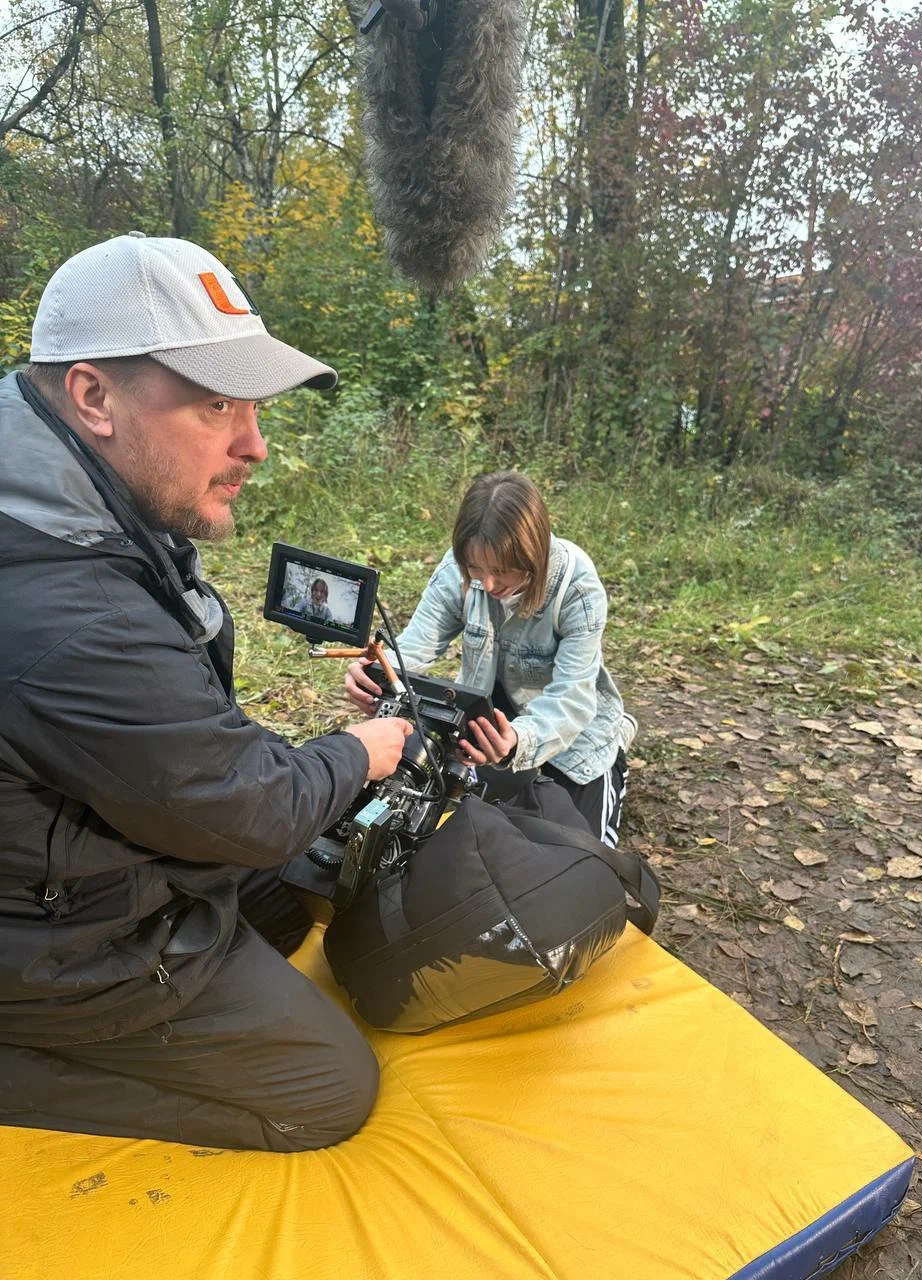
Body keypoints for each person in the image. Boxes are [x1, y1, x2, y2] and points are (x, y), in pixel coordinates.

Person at [0, 233, 414, 1152]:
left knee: (292, 893)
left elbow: (175, 744)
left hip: (47, 846)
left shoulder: (59, 501)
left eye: (255, 407)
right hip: (40, 935)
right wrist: (359, 752)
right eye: (217, 403)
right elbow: (249, 811)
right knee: (326, 1088)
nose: (254, 446)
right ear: (93, 397)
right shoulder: (66, 610)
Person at [346, 471, 636, 846]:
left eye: (501, 571)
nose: (489, 584)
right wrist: (378, 673)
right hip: (491, 718)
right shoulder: (460, 569)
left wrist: (518, 740)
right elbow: (414, 647)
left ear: (534, 555)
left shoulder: (577, 590)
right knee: (462, 834)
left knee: (582, 855)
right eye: (476, 569)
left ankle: (617, 741)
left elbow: (572, 698)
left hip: (575, 733)